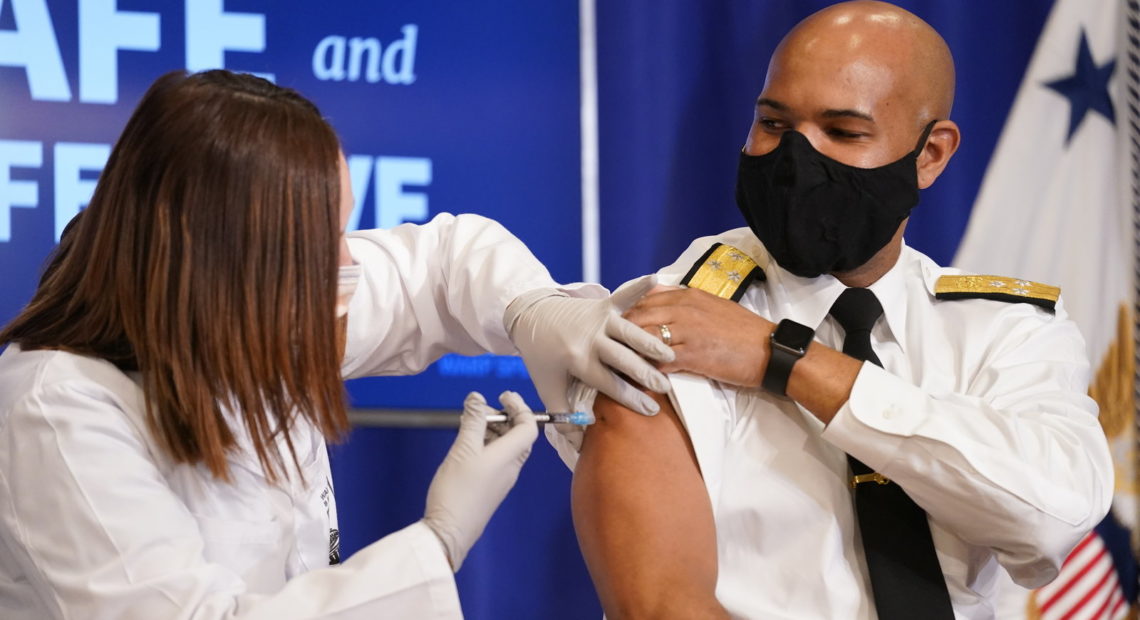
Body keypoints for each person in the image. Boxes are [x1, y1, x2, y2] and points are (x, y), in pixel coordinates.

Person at [0, 69, 675, 618]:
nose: (350, 262)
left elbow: (442, 267)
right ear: (225, 260)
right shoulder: (57, 408)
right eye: (322, 244)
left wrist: (537, 310)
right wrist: (436, 543)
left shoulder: (247, 319)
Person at [561, 2, 1114, 619]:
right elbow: (659, 604)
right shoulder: (677, 314)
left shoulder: (1001, 326)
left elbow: (1051, 515)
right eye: (773, 124)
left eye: (844, 133)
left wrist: (785, 359)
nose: (795, 162)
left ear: (931, 154)